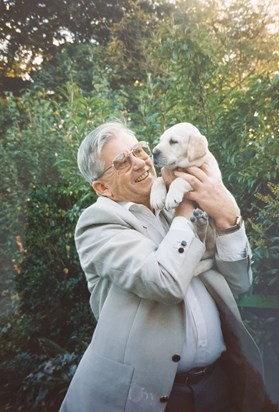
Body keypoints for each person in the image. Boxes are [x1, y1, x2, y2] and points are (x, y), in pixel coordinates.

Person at [60, 121, 271, 412]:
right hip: (154, 395)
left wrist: (228, 220)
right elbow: (164, 282)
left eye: (138, 150)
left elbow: (239, 282)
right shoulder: (98, 223)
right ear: (102, 187)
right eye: (122, 161)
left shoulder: (168, 200)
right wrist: (185, 208)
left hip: (220, 381)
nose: (139, 162)